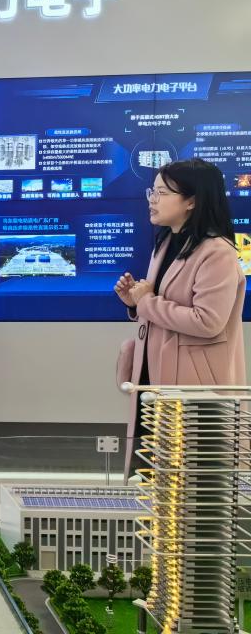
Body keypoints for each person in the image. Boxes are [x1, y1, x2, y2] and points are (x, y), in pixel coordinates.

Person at [115, 158, 246, 460]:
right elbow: (159, 305)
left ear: (191, 201)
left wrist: (146, 302)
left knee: (191, 473)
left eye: (162, 193)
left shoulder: (217, 252)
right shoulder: (165, 244)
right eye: (152, 191)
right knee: (151, 467)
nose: (152, 200)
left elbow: (207, 322)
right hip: (154, 376)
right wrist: (134, 303)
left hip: (195, 387)